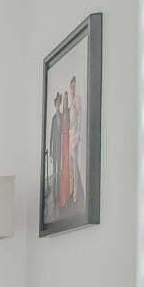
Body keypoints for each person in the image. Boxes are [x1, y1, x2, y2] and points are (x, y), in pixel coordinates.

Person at [69, 75, 85, 206]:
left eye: (74, 86)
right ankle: (72, 189)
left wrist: (78, 135)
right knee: (71, 163)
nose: (72, 89)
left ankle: (76, 192)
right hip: (71, 135)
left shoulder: (77, 100)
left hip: (75, 136)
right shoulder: (72, 102)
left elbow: (79, 117)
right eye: (71, 87)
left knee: (75, 164)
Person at [47, 91, 63, 219]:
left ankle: (60, 194)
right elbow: (51, 136)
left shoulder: (62, 116)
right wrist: (51, 152)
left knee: (60, 170)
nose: (58, 104)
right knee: (55, 171)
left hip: (62, 146)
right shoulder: (53, 119)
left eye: (59, 102)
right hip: (56, 147)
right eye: (56, 103)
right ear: (55, 104)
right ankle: (55, 195)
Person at [59, 85, 73, 208]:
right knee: (63, 165)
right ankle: (62, 196)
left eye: (66, 99)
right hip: (63, 138)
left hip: (68, 138)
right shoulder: (62, 113)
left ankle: (67, 195)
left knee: (67, 165)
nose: (65, 101)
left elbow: (70, 125)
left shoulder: (68, 111)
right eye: (64, 99)